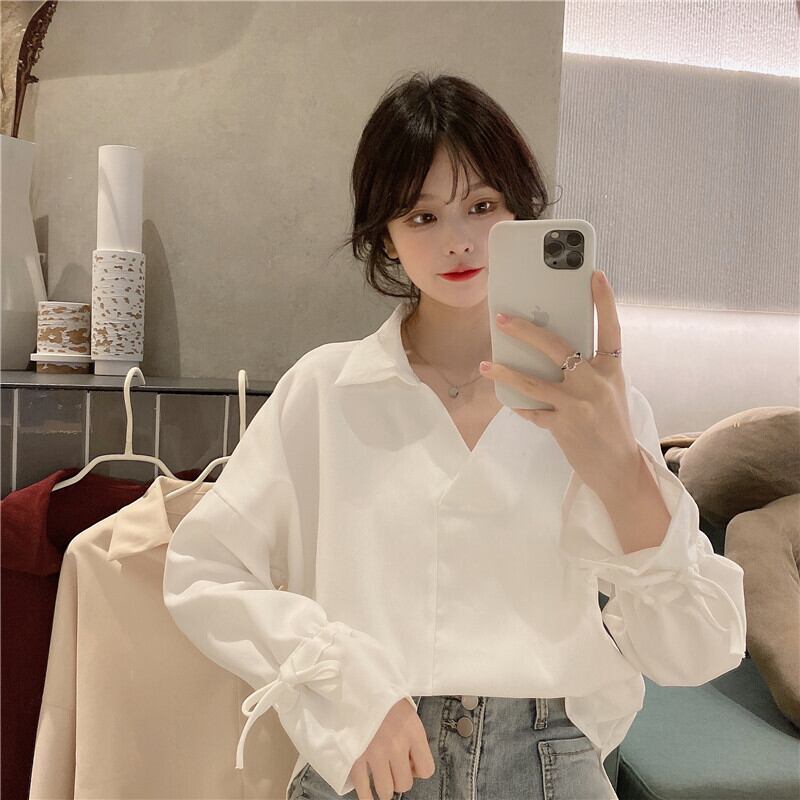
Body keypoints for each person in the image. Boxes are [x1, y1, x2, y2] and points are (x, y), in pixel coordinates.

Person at [163, 71, 746, 800]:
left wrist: (620, 469)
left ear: (520, 211)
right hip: (372, 760)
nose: (459, 241)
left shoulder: (597, 407)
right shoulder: (325, 392)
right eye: (422, 216)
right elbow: (204, 570)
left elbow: (697, 650)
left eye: (481, 205)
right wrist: (344, 683)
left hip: (547, 763)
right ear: (384, 235)